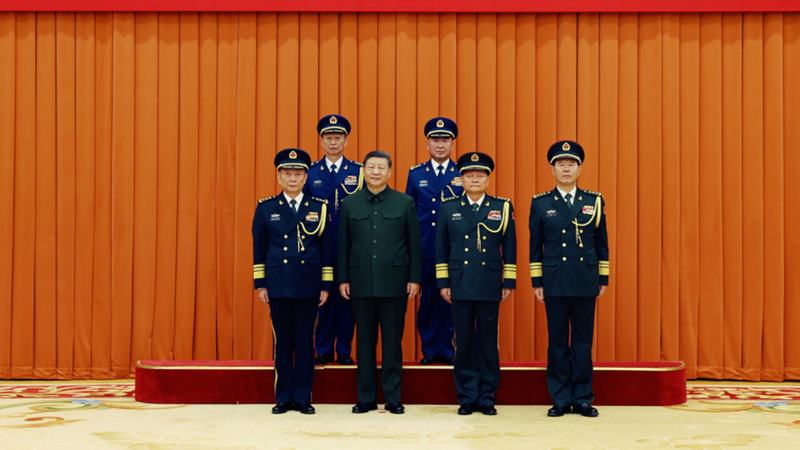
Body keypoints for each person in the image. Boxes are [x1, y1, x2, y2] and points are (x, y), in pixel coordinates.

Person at [337, 150, 422, 415]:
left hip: (395, 283)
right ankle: (366, 398)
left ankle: (393, 397)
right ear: (363, 170)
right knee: (363, 343)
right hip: (360, 282)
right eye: (371, 167)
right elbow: (342, 245)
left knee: (392, 344)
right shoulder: (350, 203)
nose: (376, 172)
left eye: (381, 167)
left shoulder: (404, 202)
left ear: (389, 172)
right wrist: (342, 278)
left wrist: (414, 279)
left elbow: (414, 246)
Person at [529, 140, 609, 418]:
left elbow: (602, 244)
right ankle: (561, 398)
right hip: (555, 280)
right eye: (560, 164)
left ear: (579, 169)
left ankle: (583, 398)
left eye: (571, 164)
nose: (566, 168)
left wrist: (603, 277)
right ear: (552, 169)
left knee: (583, 342)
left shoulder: (593, 201)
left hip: (586, 279)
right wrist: (537, 282)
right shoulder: (540, 203)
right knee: (559, 341)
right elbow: (535, 246)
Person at [252, 148, 333, 415]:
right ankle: (283, 397)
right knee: (283, 342)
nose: (293, 178)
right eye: (288, 173)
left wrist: (325, 284)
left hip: (309, 283)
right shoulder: (266, 208)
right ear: (279, 177)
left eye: (298, 173)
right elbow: (259, 247)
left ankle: (303, 397)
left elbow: (326, 250)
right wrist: (261, 283)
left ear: (306, 176)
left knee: (305, 342)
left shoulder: (318, 208)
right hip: (279, 283)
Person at [435, 152, 516, 416]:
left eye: (480, 175)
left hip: (490, 282)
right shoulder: (449, 208)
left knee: (488, 341)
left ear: (487, 179)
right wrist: (443, 281)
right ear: (461, 179)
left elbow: (510, 247)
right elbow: (441, 248)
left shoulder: (502, 207)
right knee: (465, 341)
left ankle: (487, 396)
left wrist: (509, 281)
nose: (474, 180)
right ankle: (467, 396)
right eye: (469, 175)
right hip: (459, 282)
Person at [304, 114, 363, 366]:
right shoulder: (311, 172)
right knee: (323, 299)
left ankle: (345, 349)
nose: (333, 142)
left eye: (338, 137)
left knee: (347, 300)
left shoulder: (358, 171)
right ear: (321, 140)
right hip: (319, 246)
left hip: (350, 247)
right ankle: (324, 348)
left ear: (346, 141)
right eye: (328, 138)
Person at [406, 117, 463, 366]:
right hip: (425, 248)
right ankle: (429, 350)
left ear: (452, 144)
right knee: (428, 302)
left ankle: (448, 350)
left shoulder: (462, 173)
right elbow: (409, 213)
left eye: (445, 140)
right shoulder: (416, 174)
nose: (440, 145)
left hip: (454, 250)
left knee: (451, 302)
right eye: (435, 140)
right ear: (427, 144)